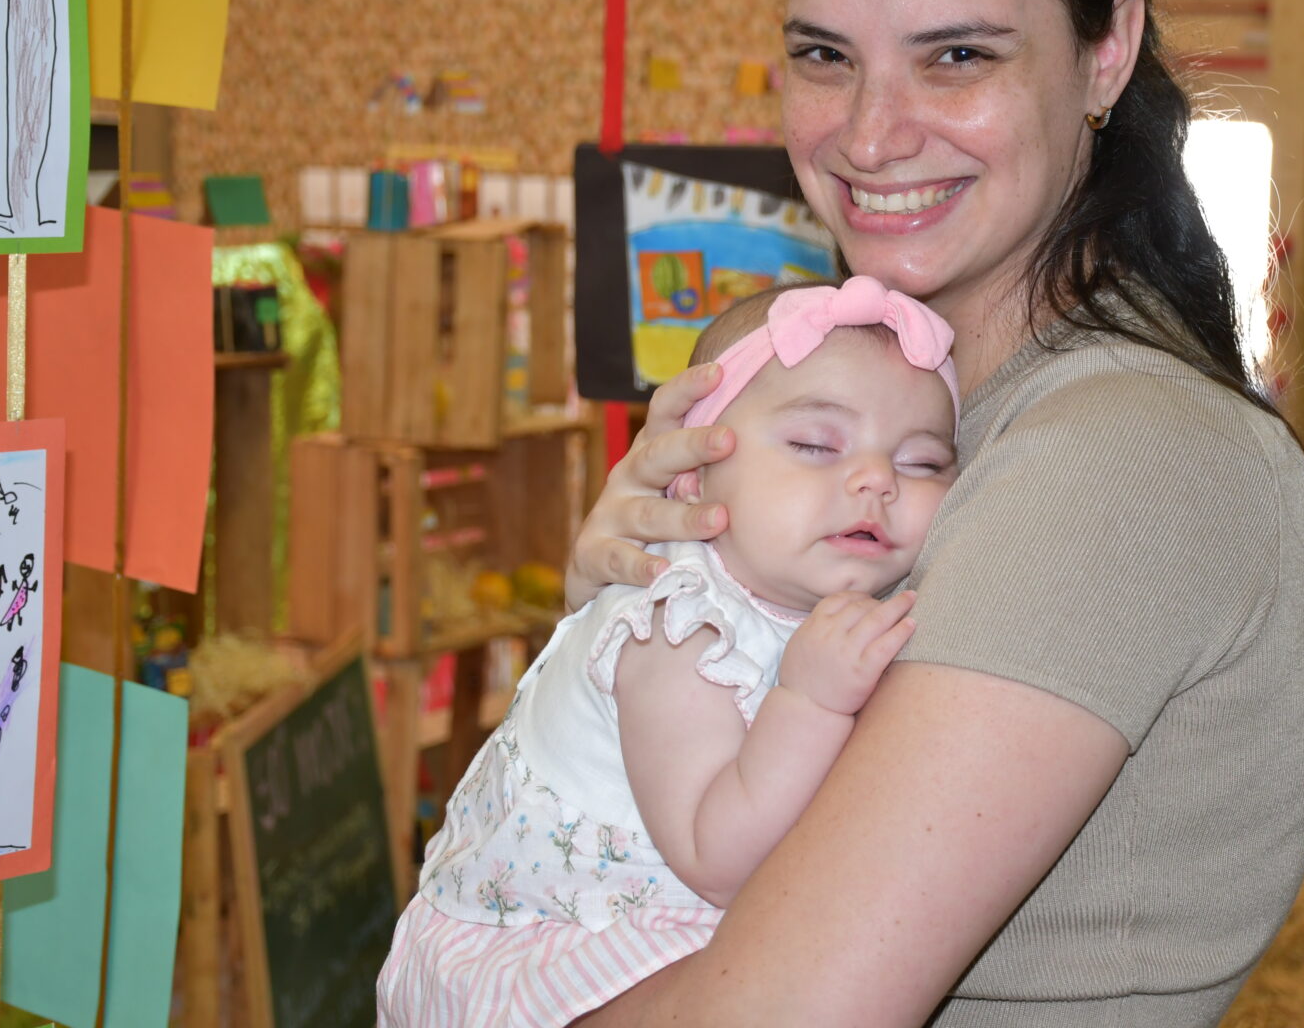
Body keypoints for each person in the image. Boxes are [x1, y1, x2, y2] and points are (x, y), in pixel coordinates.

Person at [567, 0, 1304, 1025]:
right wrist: (630, 622)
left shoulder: (1118, 455)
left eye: (958, 54)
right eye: (825, 54)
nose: (870, 135)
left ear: (1107, 51)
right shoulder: (904, 407)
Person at [376, 277, 962, 1027]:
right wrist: (810, 701)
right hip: (566, 936)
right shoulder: (678, 625)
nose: (877, 480)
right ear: (693, 475)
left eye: (921, 463)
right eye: (816, 445)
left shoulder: (818, 597)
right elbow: (717, 859)